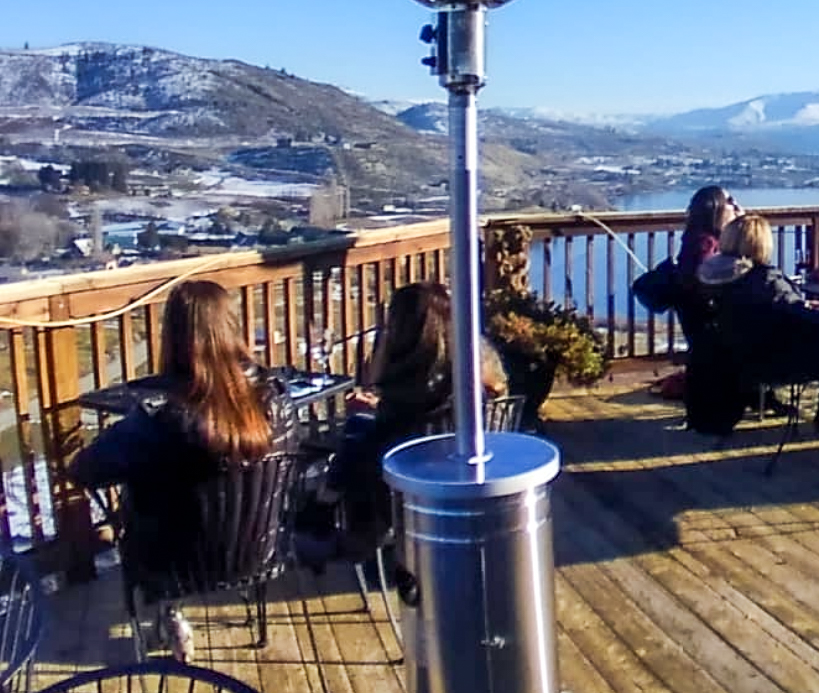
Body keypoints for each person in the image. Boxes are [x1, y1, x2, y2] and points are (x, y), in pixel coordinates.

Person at [70, 279, 298, 656]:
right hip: (258, 554)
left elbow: (84, 470)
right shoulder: (277, 400)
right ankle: (172, 616)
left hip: (171, 567)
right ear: (231, 328)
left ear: (172, 337)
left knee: (143, 500)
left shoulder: (157, 416)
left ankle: (167, 615)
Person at [303, 282, 507, 557]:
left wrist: (363, 416)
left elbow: (371, 455)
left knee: (354, 434)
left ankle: (321, 512)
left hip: (401, 510)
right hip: (463, 497)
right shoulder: (468, 387)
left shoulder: (402, 412)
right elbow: (424, 402)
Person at [692, 213, 819, 436]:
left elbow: (776, 308)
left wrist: (800, 305)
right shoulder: (766, 280)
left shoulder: (712, 277)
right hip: (773, 364)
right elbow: (797, 313)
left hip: (736, 360)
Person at [632, 185, 741, 400]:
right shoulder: (706, 243)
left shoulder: (698, 239)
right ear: (715, 208)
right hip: (714, 327)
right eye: (730, 201)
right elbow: (706, 281)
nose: (736, 205)